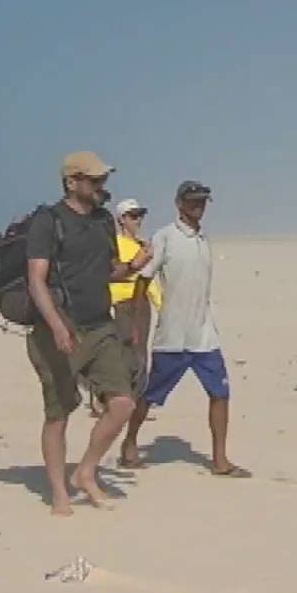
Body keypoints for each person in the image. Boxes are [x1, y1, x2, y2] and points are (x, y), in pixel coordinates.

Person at [25, 150, 151, 515]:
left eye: (103, 180)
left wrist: (131, 267)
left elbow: (107, 272)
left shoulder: (101, 222)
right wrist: (57, 325)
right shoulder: (48, 221)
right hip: (59, 330)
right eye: (94, 180)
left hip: (100, 325)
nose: (101, 187)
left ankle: (85, 472)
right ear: (72, 182)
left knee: (123, 403)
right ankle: (59, 494)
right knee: (58, 414)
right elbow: (36, 279)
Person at [120, 180, 248, 477]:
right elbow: (142, 281)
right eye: (193, 202)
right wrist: (137, 325)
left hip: (205, 335)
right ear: (179, 204)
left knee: (220, 394)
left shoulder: (204, 240)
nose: (198, 207)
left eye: (202, 202)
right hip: (173, 338)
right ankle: (129, 443)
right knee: (150, 396)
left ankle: (220, 459)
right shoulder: (165, 237)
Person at [88, 198, 162, 417]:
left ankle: (136, 400)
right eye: (133, 215)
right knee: (120, 351)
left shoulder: (143, 246)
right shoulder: (115, 244)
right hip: (119, 303)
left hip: (141, 303)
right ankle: (104, 398)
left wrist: (161, 305)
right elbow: (110, 273)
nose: (138, 220)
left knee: (140, 352)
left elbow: (148, 279)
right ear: (122, 219)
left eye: (140, 215)